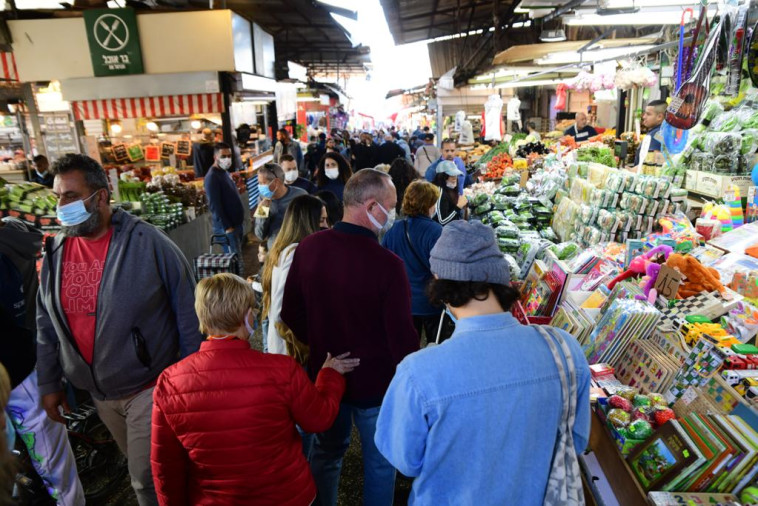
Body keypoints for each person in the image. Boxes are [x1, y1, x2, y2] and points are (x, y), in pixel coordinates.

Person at [374, 221, 591, 504]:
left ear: (440, 283)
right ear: (502, 280)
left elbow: (405, 460)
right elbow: (577, 440)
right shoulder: (564, 349)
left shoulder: (418, 373)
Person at [37, 154, 203, 505]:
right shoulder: (56, 250)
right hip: (99, 394)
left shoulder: (148, 243)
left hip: (149, 387)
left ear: (100, 197)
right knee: (147, 469)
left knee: (145, 480)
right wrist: (50, 383)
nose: (61, 206)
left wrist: (190, 379)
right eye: (57, 196)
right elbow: (46, 323)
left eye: (70, 195)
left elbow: (187, 309)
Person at [151, 273, 358, 506]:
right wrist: (329, 376)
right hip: (286, 496)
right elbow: (318, 419)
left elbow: (165, 467)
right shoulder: (282, 370)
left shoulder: (169, 382)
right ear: (246, 316)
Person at [281, 169, 420, 506]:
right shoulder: (388, 264)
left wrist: (320, 346)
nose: (393, 214)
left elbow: (290, 312)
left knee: (327, 453)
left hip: (326, 374)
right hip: (377, 384)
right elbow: (402, 338)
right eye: (391, 206)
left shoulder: (309, 248)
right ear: (372, 207)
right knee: (380, 463)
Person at [0, 217, 84, 505]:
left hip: (19, 374)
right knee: (51, 464)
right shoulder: (13, 241)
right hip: (22, 368)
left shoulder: (4, 255)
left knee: (52, 465)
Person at [381, 180, 450, 342]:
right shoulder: (436, 231)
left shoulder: (395, 229)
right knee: (436, 348)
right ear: (428, 204)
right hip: (431, 302)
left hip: (404, 302)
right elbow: (442, 269)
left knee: (407, 347)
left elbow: (384, 264)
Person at [262, 195, 327, 357]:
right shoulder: (295, 253)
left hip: (283, 346)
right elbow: (281, 308)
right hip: (291, 349)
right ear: (307, 222)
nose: (326, 226)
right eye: (321, 221)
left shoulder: (285, 249)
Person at [205, 143, 245, 258]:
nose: (227, 159)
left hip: (236, 225)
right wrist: (227, 227)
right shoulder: (212, 177)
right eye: (223, 156)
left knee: (238, 259)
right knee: (234, 262)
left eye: (229, 155)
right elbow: (215, 206)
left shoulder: (225, 172)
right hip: (227, 229)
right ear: (215, 157)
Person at [255, 162, 307, 250]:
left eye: (263, 183)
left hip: (298, 249)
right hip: (275, 252)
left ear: (276, 182)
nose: (260, 187)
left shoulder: (301, 195)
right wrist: (263, 211)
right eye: (259, 183)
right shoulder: (261, 199)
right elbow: (260, 235)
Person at [432, 161, 468, 226]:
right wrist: (458, 206)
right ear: (442, 176)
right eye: (451, 175)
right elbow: (442, 221)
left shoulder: (450, 188)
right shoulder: (439, 192)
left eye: (455, 175)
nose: (454, 178)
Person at [635, 99, 667, 165]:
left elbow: (651, 163)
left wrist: (629, 170)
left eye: (648, 114)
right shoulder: (661, 131)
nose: (644, 117)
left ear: (659, 117)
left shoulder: (656, 135)